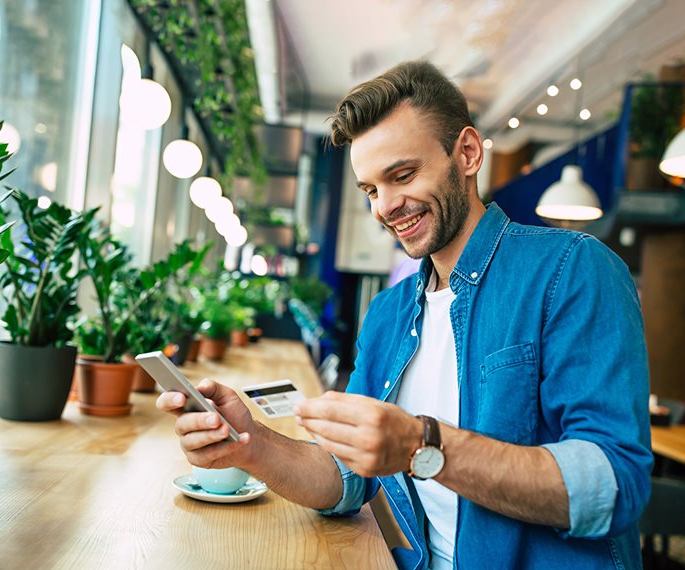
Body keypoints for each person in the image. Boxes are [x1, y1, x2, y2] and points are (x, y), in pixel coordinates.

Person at [157, 61, 652, 570]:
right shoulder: (390, 312)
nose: (385, 207)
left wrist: (422, 445)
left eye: (403, 175)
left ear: (467, 153)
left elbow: (614, 485)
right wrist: (248, 443)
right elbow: (347, 479)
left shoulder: (572, 269)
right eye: (370, 189)